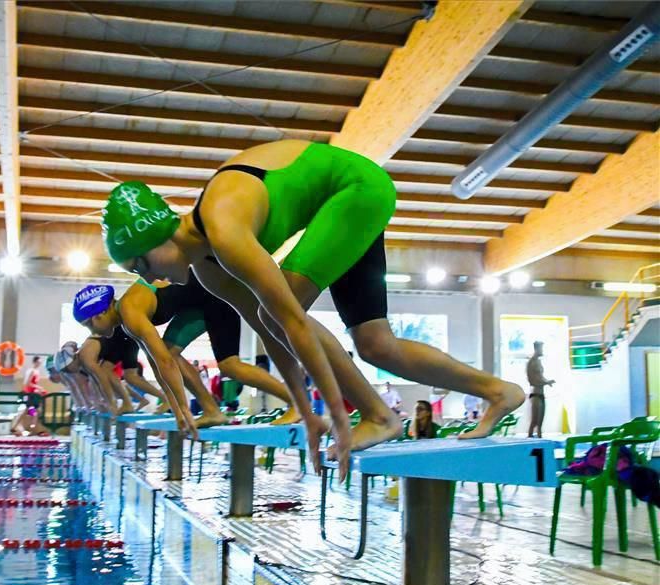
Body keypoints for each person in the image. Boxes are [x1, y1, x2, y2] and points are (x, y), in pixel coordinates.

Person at [100, 139, 525, 475]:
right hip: (341, 206)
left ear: (160, 237)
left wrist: (335, 418)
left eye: (142, 263)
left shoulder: (224, 227)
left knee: (281, 308)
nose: (146, 277)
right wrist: (305, 413)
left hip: (356, 191)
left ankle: (378, 415)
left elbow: (292, 322)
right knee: (376, 344)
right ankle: (498, 391)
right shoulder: (209, 270)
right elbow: (273, 334)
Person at [72, 278, 304, 435]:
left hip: (216, 294)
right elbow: (158, 366)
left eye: (88, 325)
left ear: (100, 313)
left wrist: (183, 411)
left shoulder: (131, 312)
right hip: (197, 304)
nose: (92, 333)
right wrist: (177, 409)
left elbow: (164, 363)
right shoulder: (127, 317)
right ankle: (212, 410)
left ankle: (298, 404)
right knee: (171, 351)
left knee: (231, 367)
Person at [526, 341, 555, 438]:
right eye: (541, 348)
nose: (542, 351)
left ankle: (540, 440)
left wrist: (547, 381)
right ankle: (530, 439)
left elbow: (541, 377)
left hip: (541, 393)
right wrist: (546, 382)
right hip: (535, 394)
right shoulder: (531, 362)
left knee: (540, 423)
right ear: (536, 349)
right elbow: (532, 380)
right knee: (534, 421)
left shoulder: (538, 362)